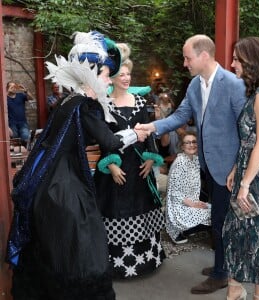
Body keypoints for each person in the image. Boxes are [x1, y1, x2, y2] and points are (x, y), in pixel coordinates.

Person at [6, 30, 147, 300]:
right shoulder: (85, 105)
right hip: (64, 187)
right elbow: (109, 142)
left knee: (54, 247)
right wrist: (136, 134)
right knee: (81, 249)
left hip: (47, 182)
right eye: (106, 73)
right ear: (91, 72)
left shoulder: (68, 101)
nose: (109, 79)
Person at [135, 34, 246, 294]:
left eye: (188, 57)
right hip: (209, 165)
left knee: (220, 221)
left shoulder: (233, 84)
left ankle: (221, 274)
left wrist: (238, 167)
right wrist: (152, 126)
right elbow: (181, 116)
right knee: (219, 220)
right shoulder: (195, 85)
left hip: (229, 170)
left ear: (204, 55)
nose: (185, 63)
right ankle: (224, 266)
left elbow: (248, 131)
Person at [94, 43, 165, 279]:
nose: (126, 78)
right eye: (120, 74)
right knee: (115, 210)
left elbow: (150, 133)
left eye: (128, 73)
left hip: (140, 168)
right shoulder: (103, 105)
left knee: (142, 208)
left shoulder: (141, 102)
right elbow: (102, 137)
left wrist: (151, 159)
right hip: (116, 169)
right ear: (111, 78)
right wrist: (110, 164)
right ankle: (116, 265)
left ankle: (147, 260)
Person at [223, 36, 259, 300]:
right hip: (248, 171)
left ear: (252, 61)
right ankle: (235, 288)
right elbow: (249, 143)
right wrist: (237, 169)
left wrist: (245, 184)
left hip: (258, 179)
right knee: (236, 232)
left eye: (237, 58)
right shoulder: (256, 93)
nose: (232, 63)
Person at [165, 131, 211, 244]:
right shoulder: (180, 162)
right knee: (212, 213)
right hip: (178, 206)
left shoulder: (195, 160)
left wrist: (197, 202)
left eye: (194, 142)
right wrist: (194, 204)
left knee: (212, 208)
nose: (191, 145)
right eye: (188, 143)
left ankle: (189, 229)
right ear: (182, 146)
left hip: (190, 201)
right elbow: (175, 193)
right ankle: (181, 231)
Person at [7, 81, 34, 146]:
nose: (13, 88)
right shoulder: (5, 97)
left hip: (23, 122)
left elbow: (31, 98)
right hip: (11, 123)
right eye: (11, 86)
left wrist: (25, 90)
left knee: (26, 138)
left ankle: (26, 153)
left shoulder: (20, 95)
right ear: (7, 88)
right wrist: (7, 91)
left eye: (15, 86)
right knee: (14, 140)